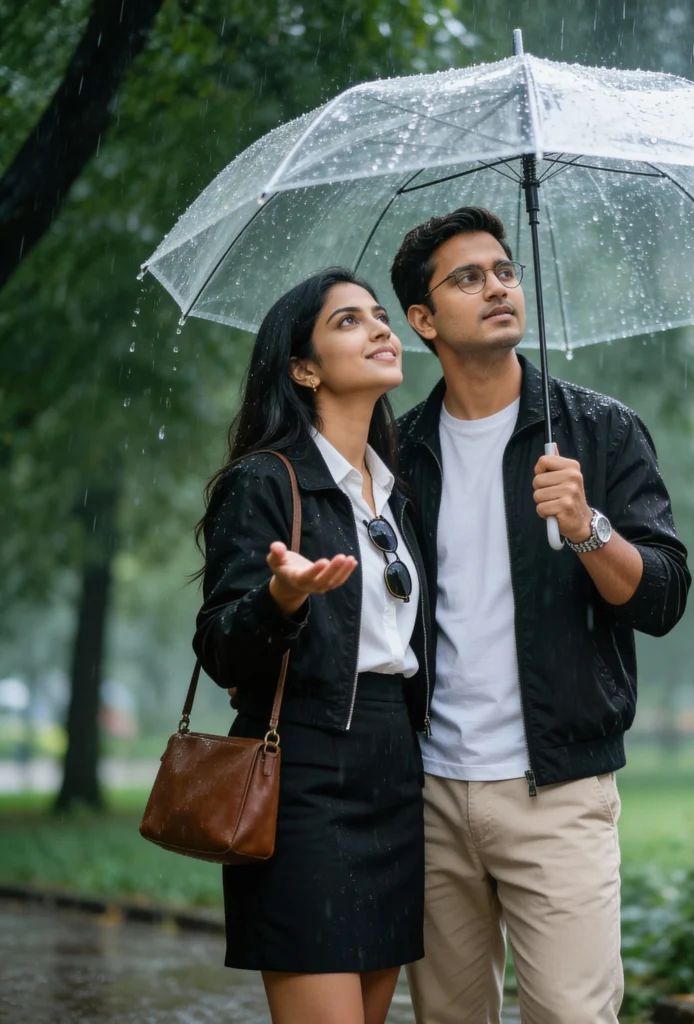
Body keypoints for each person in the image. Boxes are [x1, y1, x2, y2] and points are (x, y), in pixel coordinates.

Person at [390, 207, 691, 1024]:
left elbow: (663, 596)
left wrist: (588, 527)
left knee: (572, 1016)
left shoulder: (599, 430)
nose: (497, 288)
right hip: (429, 790)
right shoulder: (397, 451)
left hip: (557, 789)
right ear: (423, 320)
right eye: (468, 278)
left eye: (505, 271)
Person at [192, 267, 431, 1024]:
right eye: (350, 322)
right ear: (303, 368)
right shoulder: (265, 482)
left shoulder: (394, 493)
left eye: (382, 316)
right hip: (301, 771)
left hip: (395, 774)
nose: (382, 330)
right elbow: (221, 647)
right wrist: (279, 598)